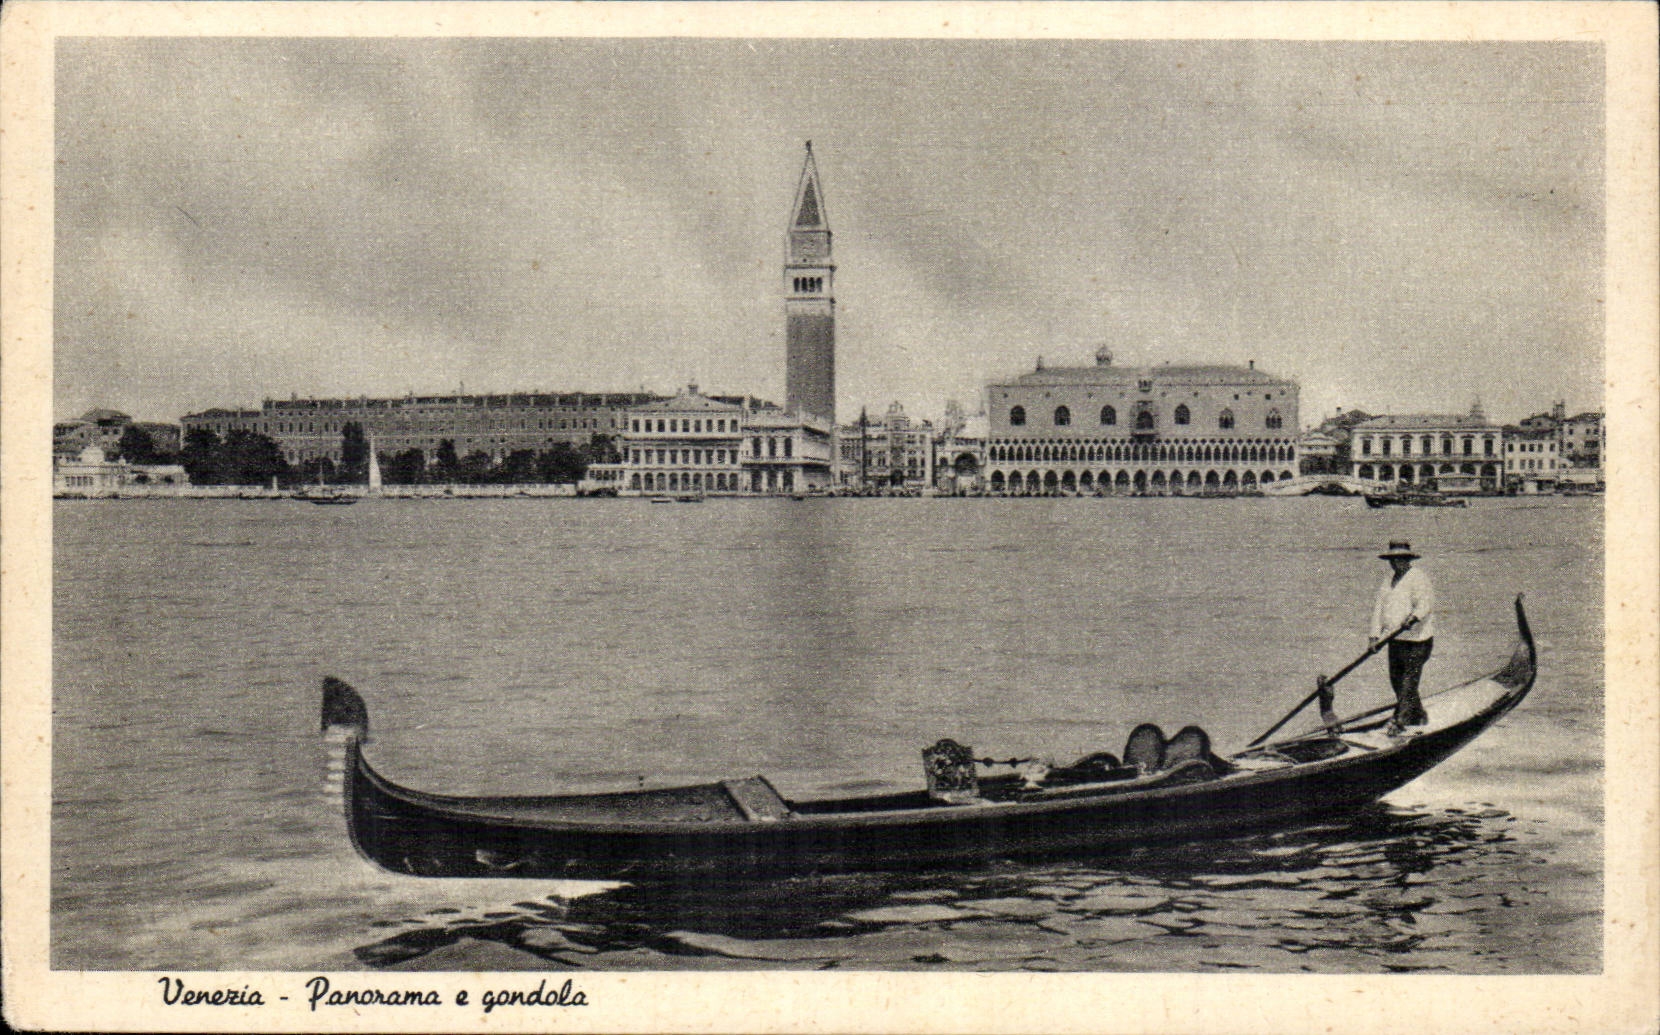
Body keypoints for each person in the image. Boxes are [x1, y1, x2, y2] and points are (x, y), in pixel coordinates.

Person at [1371, 540, 1434, 735]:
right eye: (1392, 559)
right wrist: (1374, 637)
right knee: (1396, 680)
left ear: (1407, 560)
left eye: (1399, 559)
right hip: (1394, 640)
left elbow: (1425, 604)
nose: (1394, 563)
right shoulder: (1388, 579)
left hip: (1417, 641)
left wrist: (1413, 618)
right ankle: (1418, 715)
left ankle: (1401, 721)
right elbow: (1379, 609)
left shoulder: (1418, 577)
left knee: (1408, 682)